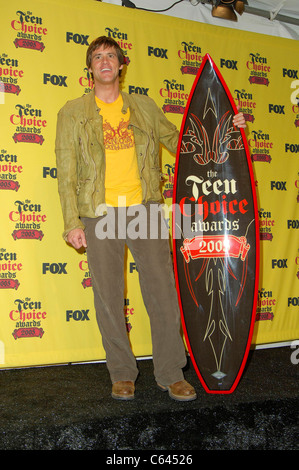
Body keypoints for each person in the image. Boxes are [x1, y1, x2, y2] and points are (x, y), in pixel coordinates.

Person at [55, 36, 246, 402]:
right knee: (108, 298)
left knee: (163, 293)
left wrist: (228, 128)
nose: (105, 61)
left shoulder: (143, 106)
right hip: (99, 213)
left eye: (111, 55)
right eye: (97, 57)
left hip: (145, 210)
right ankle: (122, 373)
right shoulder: (73, 112)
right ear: (90, 68)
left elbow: (183, 141)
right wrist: (72, 222)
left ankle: (171, 373)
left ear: (122, 64)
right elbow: (66, 173)